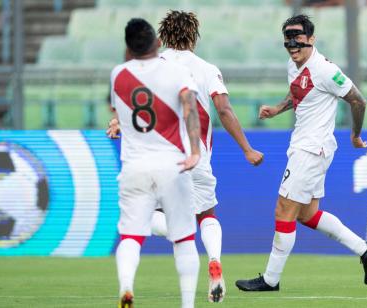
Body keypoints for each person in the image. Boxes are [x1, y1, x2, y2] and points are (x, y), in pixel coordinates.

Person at [235, 14, 367, 292]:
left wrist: (356, 135)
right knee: (307, 214)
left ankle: (270, 279)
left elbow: (358, 100)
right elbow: (299, 91)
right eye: (288, 39)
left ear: (311, 39)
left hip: (311, 150)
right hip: (307, 147)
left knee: (283, 209)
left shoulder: (325, 69)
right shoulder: (295, 64)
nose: (292, 44)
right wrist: (278, 109)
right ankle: (365, 250)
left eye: (298, 38)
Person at [153, 10, 265, 303]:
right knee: (207, 214)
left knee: (144, 216)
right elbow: (224, 110)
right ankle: (214, 260)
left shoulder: (151, 66)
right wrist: (247, 149)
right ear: (194, 37)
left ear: (163, 36)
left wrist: (116, 123)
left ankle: (182, 230)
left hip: (159, 154)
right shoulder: (206, 68)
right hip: (196, 154)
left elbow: (136, 103)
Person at [108, 18, 202, 308]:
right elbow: (190, 108)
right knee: (184, 238)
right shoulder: (177, 71)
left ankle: (126, 286)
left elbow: (121, 113)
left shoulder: (118, 75)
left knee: (131, 236)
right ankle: (187, 304)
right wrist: (195, 152)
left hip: (134, 167)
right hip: (172, 165)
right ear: (157, 41)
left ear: (128, 47)